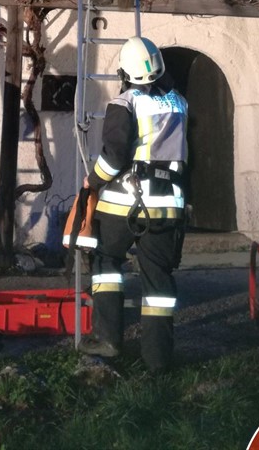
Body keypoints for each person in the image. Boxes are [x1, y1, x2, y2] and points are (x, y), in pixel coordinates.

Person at [79, 36, 189, 371]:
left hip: (126, 204)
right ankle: (158, 359)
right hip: (168, 205)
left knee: (105, 259)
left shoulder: (124, 104)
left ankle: (108, 339)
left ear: (124, 72)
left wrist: (92, 181)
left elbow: (114, 158)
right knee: (158, 281)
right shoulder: (180, 103)